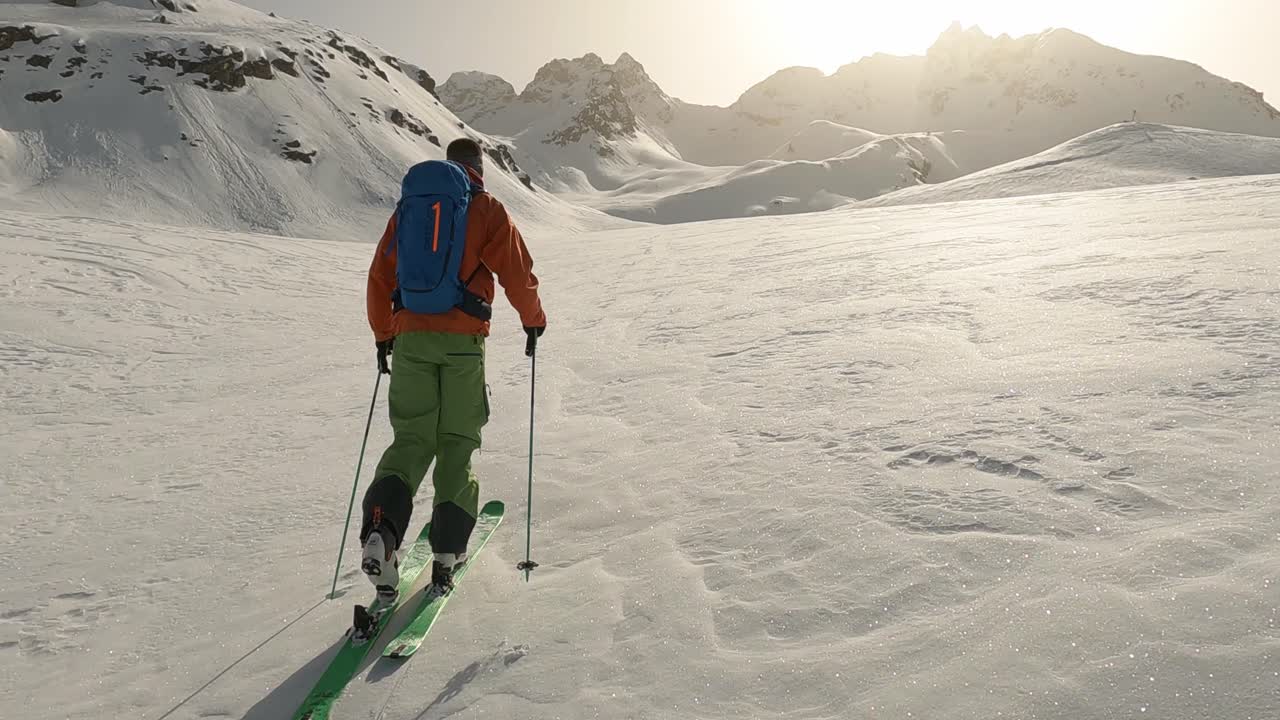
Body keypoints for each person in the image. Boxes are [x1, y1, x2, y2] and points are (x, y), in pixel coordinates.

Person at [360, 138, 546, 601]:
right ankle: (446, 555)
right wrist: (533, 319)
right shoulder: (486, 209)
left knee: (411, 440)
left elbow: (380, 276)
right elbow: (516, 272)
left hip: (409, 342)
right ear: (478, 168)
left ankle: (381, 533)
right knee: (456, 442)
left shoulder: (409, 209)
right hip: (463, 343)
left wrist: (384, 335)